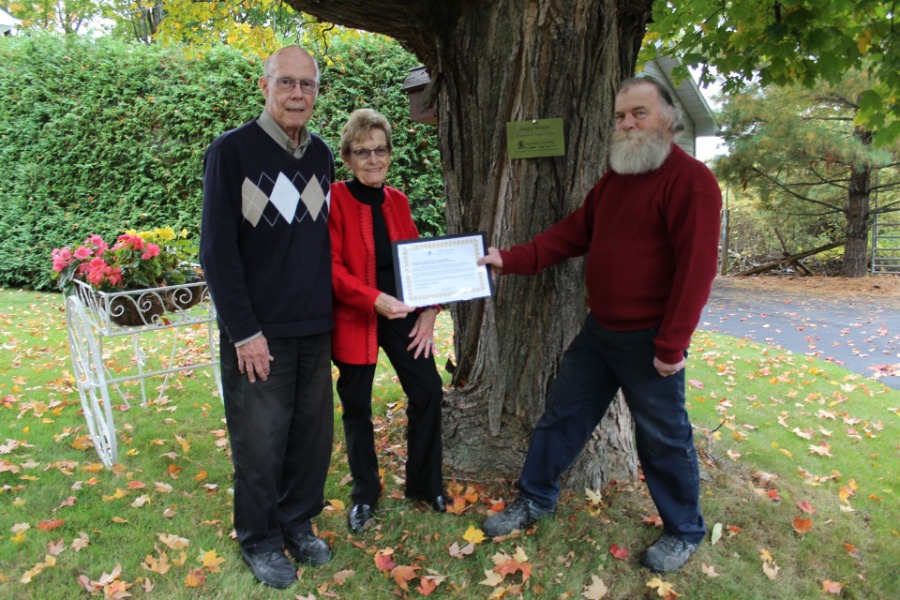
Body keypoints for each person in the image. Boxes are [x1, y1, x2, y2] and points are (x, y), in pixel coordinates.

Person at [478, 76, 722, 574]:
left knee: (664, 439)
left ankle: (684, 530)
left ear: (668, 119)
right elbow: (572, 234)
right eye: (619, 116)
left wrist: (672, 345)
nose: (627, 123)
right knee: (561, 418)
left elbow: (697, 270)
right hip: (600, 333)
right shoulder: (616, 180)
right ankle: (535, 499)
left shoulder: (691, 181)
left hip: (651, 342)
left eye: (639, 113)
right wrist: (510, 259)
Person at [200, 46, 335, 589]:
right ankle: (258, 539)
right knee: (259, 443)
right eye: (287, 83)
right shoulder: (231, 152)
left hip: (314, 327)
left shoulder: (322, 155)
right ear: (265, 86)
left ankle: (296, 524)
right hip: (259, 332)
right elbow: (217, 252)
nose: (297, 94)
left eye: (307, 85)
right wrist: (243, 331)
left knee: (310, 440)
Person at [329, 108, 446, 533]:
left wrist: (431, 310)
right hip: (356, 314)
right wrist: (373, 299)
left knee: (429, 390)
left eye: (380, 150)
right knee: (357, 405)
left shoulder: (398, 200)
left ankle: (423, 483)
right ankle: (365, 494)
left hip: (402, 311)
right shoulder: (335, 199)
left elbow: (419, 262)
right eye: (363, 151)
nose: (373, 159)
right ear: (348, 157)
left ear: (390, 154)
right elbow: (332, 269)